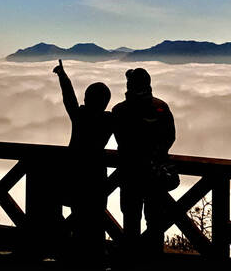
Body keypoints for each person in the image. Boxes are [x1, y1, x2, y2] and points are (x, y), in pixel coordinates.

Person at [52, 59, 113, 267]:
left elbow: (68, 98)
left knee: (76, 219)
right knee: (96, 221)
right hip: (97, 177)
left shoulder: (80, 117)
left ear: (87, 98)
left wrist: (62, 75)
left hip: (75, 175)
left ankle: (71, 258)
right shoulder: (109, 120)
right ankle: (96, 259)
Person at [112, 67, 176, 260]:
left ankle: (130, 261)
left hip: (129, 175)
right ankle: (153, 261)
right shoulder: (162, 107)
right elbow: (170, 138)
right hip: (156, 176)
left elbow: (121, 140)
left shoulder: (120, 110)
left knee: (131, 221)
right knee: (155, 224)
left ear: (129, 86)